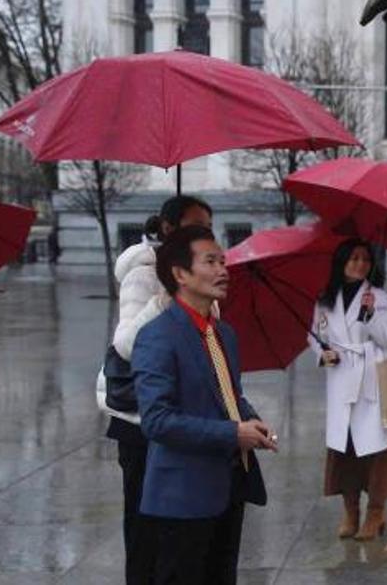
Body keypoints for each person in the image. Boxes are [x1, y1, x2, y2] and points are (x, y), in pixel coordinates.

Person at [133, 225, 275, 584]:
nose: (223, 270)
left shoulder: (223, 334)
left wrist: (251, 421)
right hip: (182, 498)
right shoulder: (157, 335)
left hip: (229, 487)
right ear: (180, 274)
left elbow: (229, 395)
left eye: (224, 261)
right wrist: (232, 433)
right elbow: (157, 420)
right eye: (210, 261)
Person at [97, 194, 212, 585]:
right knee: (145, 529)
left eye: (208, 227)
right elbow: (127, 343)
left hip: (181, 419)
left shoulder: (198, 275)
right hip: (140, 421)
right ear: (168, 228)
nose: (205, 234)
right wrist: (169, 297)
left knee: (177, 535)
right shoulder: (144, 274)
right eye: (196, 225)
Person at [308, 239, 387, 541]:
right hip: (340, 377)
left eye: (365, 259)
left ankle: (376, 512)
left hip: (373, 376)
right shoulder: (324, 300)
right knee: (344, 447)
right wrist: (321, 353)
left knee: (376, 448)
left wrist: (371, 315)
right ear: (341, 262)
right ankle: (351, 511)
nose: (360, 264)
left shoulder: (380, 297)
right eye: (354, 258)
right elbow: (315, 335)